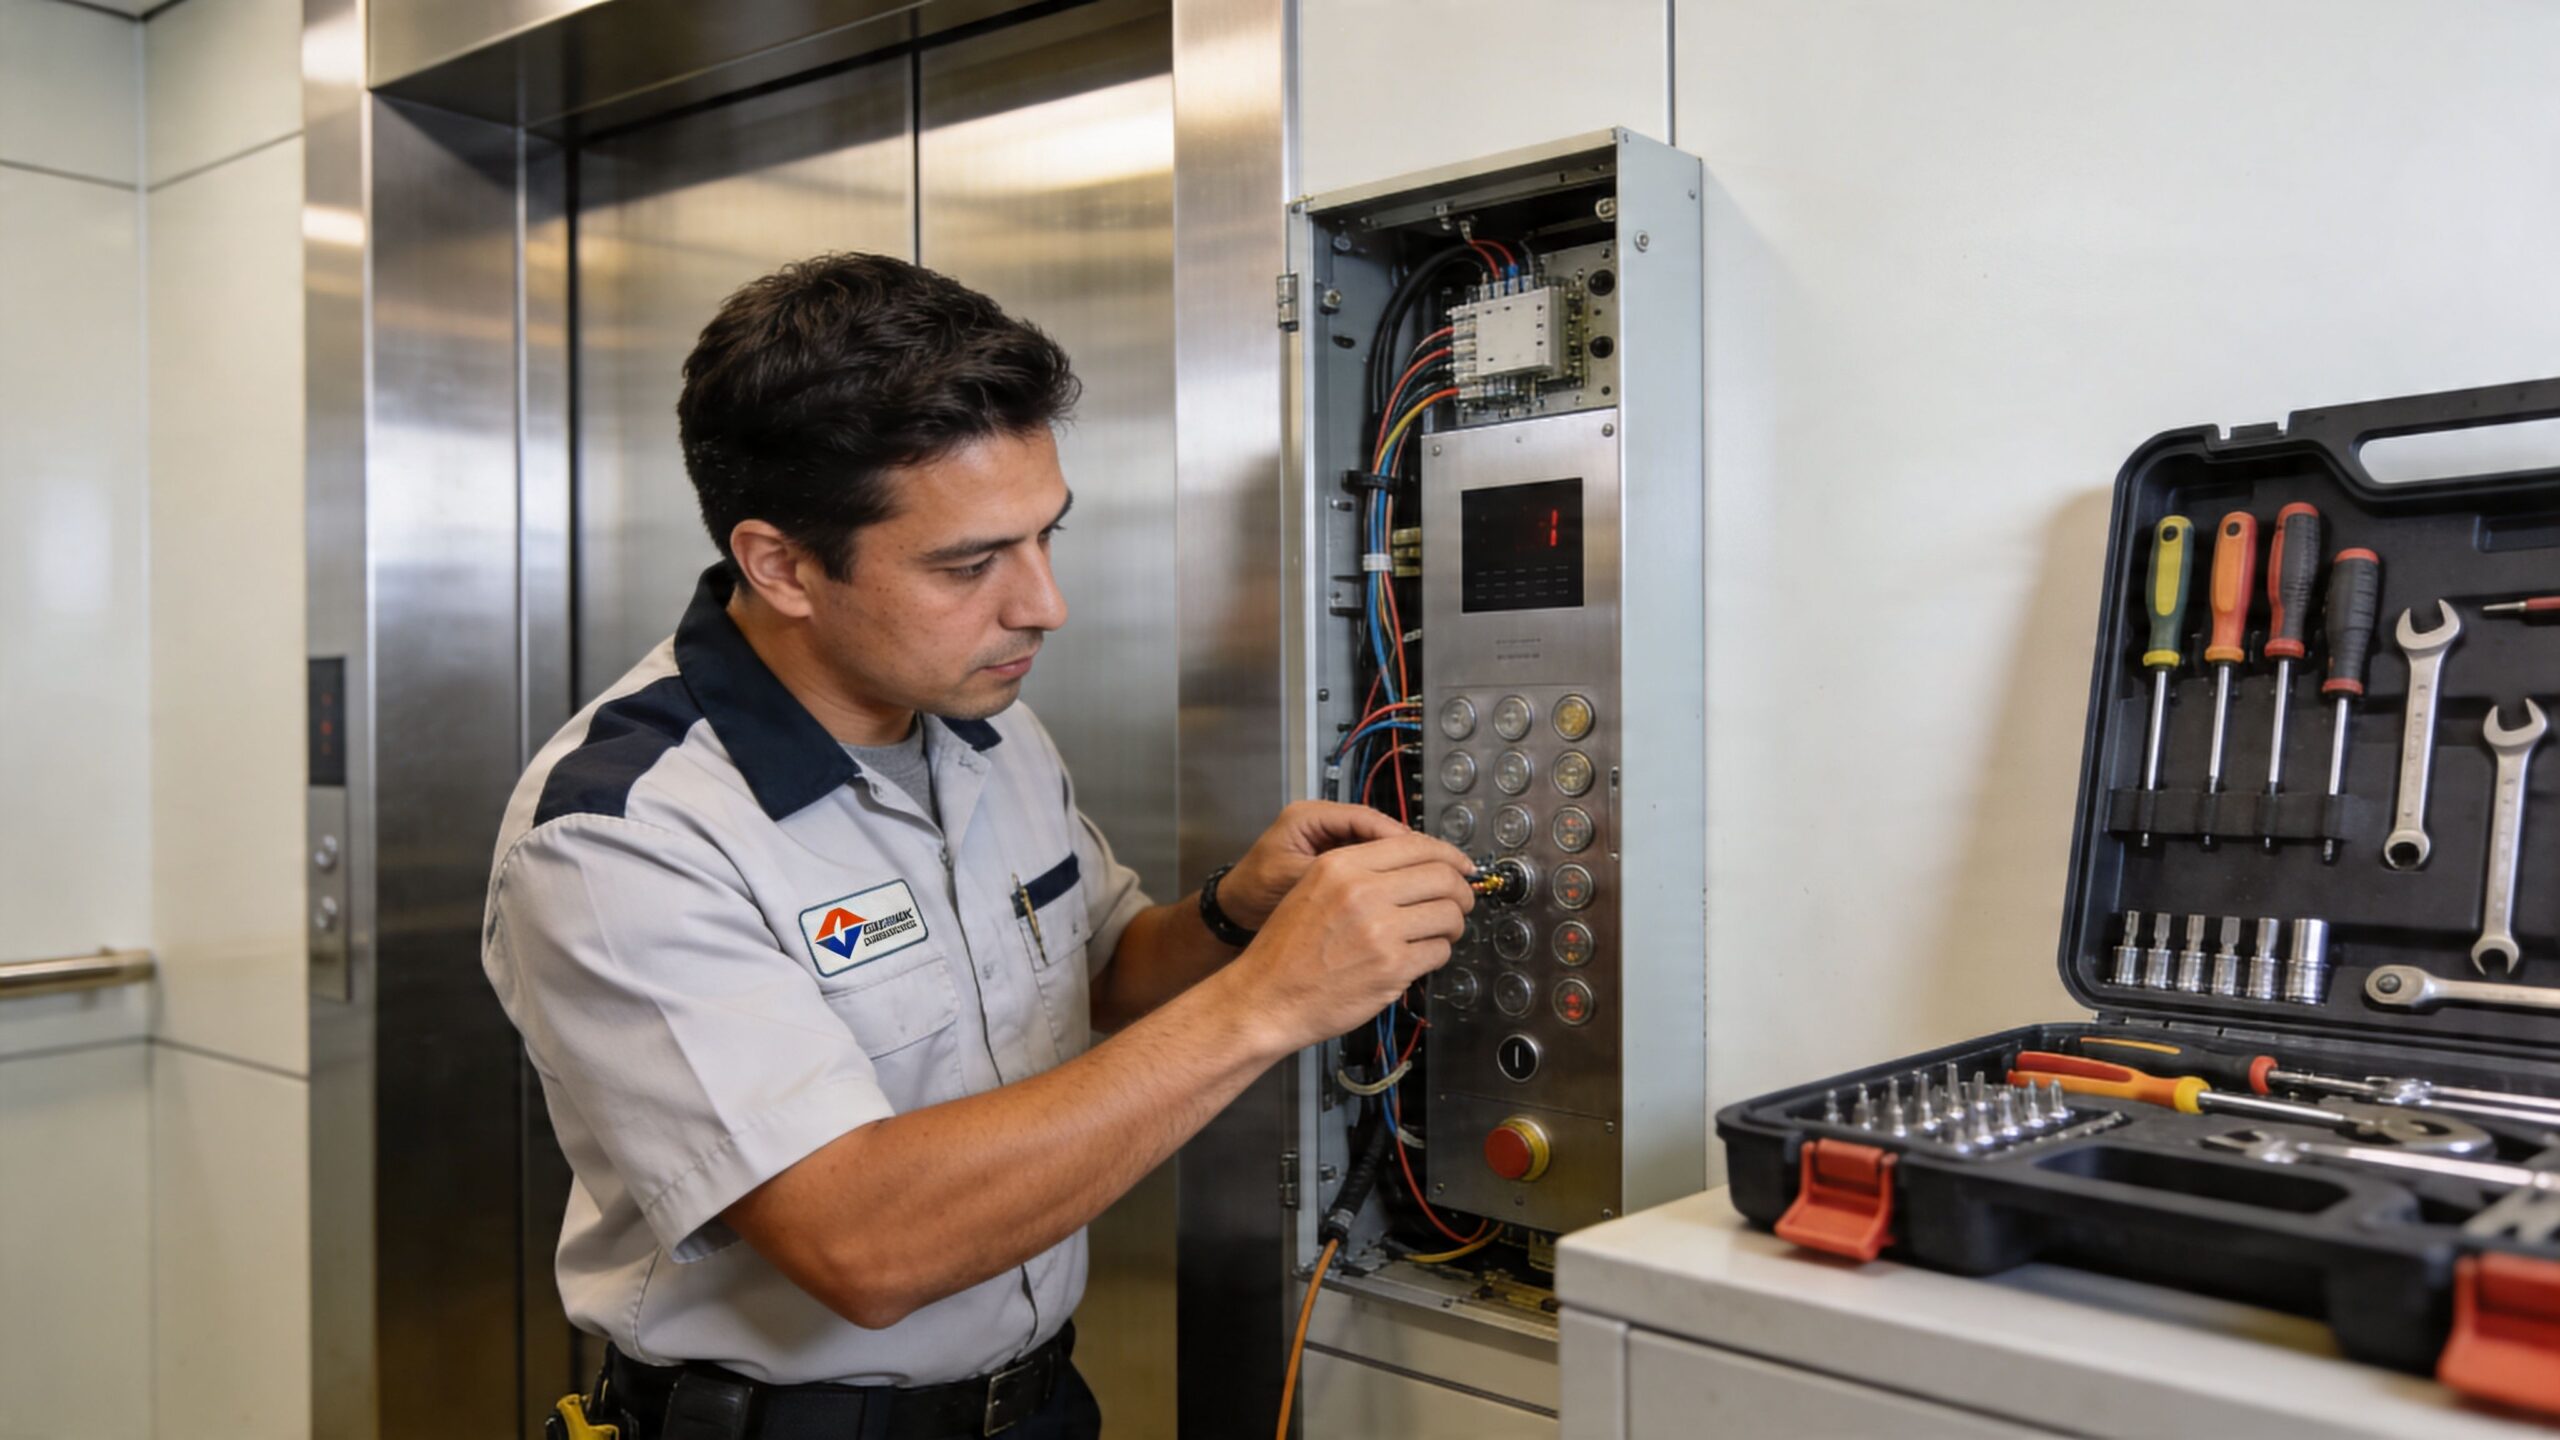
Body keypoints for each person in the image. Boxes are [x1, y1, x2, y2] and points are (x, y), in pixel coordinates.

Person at [483, 252, 1474, 1440]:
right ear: (781, 565)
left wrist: (1230, 920)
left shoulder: (981, 725)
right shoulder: (621, 834)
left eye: (1045, 536)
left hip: (1038, 1404)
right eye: (969, 564)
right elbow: (861, 1242)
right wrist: (1269, 1001)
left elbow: (1093, 971)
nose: (1042, 604)